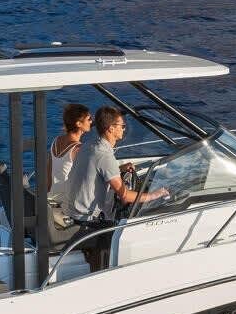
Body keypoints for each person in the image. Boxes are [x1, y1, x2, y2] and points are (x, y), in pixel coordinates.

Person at [63, 106, 166, 270]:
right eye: (122, 126)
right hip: (90, 222)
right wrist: (154, 195)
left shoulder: (90, 144)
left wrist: (120, 170)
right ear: (111, 128)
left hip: (74, 211)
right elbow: (125, 196)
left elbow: (97, 171)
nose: (124, 129)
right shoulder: (105, 154)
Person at [49, 102, 92, 200]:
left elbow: (49, 173)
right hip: (65, 201)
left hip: (52, 196)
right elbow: (92, 173)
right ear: (78, 124)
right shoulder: (78, 148)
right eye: (89, 119)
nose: (91, 122)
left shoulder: (56, 140)